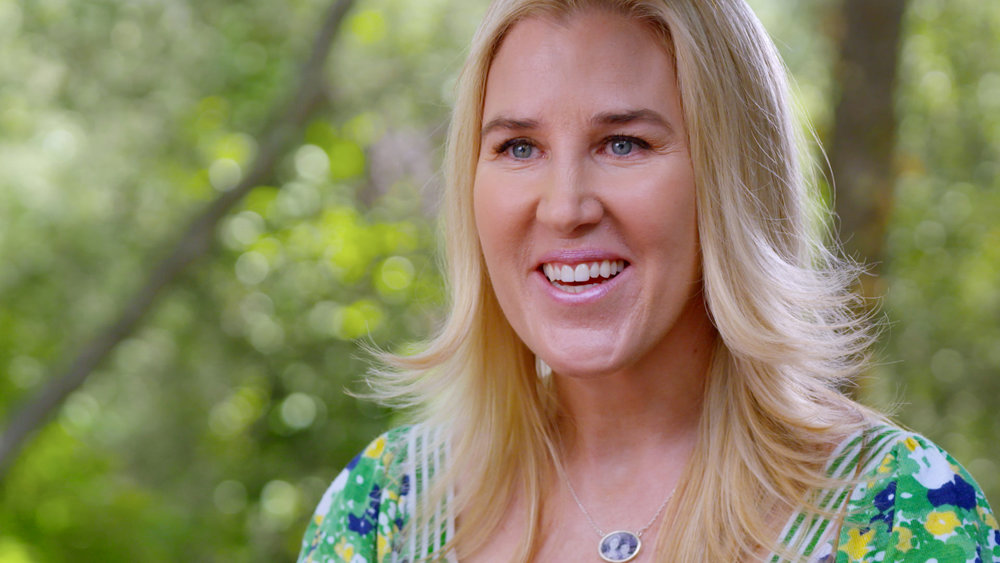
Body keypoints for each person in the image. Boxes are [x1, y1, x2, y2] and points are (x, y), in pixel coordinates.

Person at [297, 0, 1000, 561]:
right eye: (519, 147)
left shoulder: (897, 512)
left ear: (733, 180)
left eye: (623, 143)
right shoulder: (384, 512)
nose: (565, 207)